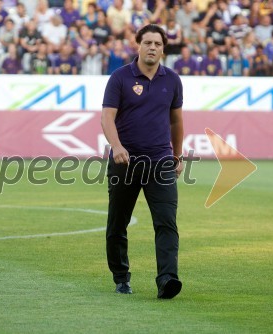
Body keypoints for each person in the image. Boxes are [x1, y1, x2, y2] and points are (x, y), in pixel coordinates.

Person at [101, 24, 184, 299]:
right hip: (125, 163)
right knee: (117, 224)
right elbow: (107, 117)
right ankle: (121, 277)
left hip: (160, 163)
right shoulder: (120, 78)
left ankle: (167, 279)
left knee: (166, 223)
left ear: (163, 48)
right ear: (138, 45)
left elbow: (176, 121)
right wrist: (116, 146)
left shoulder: (172, 80)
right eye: (147, 42)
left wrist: (178, 154)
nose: (152, 47)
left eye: (158, 44)